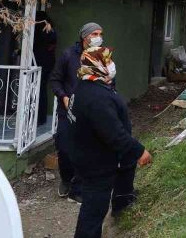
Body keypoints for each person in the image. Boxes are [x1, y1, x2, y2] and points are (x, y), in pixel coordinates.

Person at [69, 45, 151, 238]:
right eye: (108, 61)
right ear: (97, 64)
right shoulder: (96, 97)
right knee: (93, 211)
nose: (112, 64)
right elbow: (113, 133)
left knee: (94, 208)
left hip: (86, 156)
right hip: (96, 162)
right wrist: (139, 151)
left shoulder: (86, 85)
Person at [51, 22, 104, 201]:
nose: (98, 36)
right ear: (85, 36)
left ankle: (77, 187)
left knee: (85, 149)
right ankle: (66, 179)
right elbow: (55, 80)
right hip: (67, 110)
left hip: (88, 110)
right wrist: (63, 97)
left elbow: (108, 79)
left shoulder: (100, 55)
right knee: (64, 146)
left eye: (100, 33)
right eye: (95, 33)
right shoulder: (68, 55)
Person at [33, 11, 57, 126]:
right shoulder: (50, 29)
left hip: (40, 62)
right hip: (46, 62)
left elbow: (47, 45)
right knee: (41, 89)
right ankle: (39, 118)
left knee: (38, 89)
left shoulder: (40, 30)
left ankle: (37, 118)